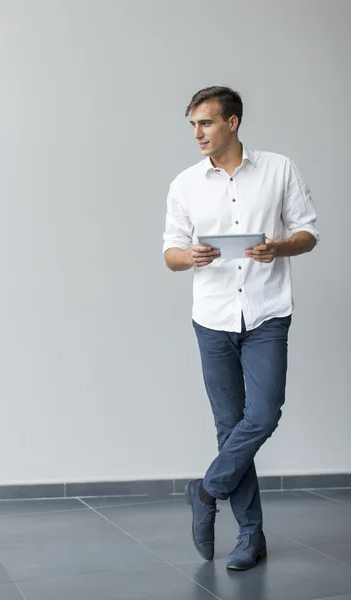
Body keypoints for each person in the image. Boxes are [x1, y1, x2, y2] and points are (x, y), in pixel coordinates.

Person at [162, 86, 319, 571]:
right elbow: (170, 253)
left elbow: (308, 233)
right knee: (230, 427)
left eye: (205, 123)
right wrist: (191, 256)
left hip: (267, 311)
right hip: (213, 319)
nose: (197, 134)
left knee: (265, 413)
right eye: (192, 125)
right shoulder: (184, 184)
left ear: (232, 123)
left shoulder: (279, 169)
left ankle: (205, 490)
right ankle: (251, 534)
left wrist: (279, 248)